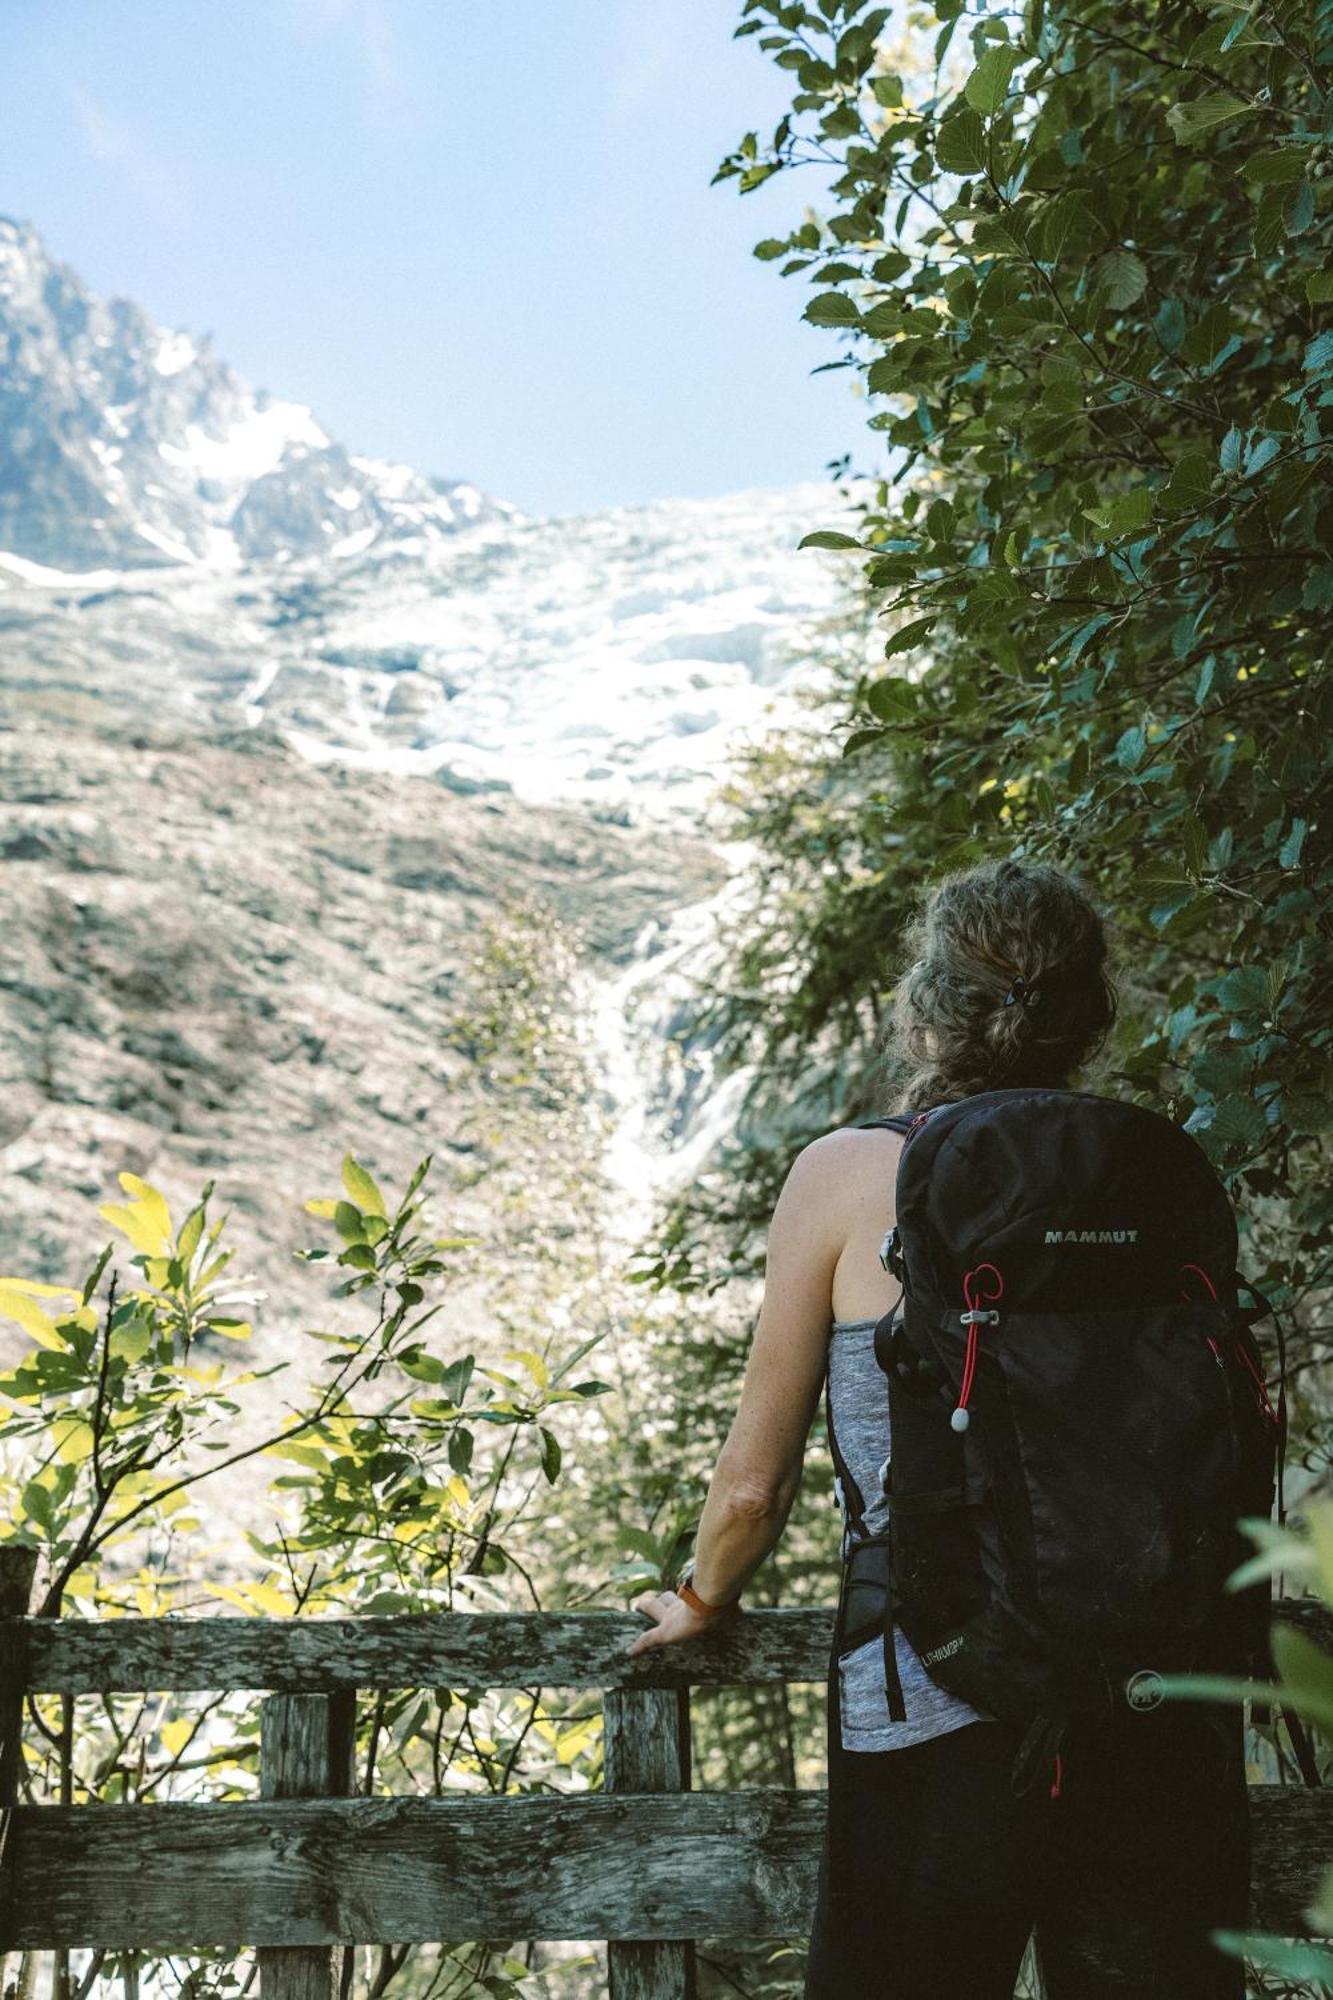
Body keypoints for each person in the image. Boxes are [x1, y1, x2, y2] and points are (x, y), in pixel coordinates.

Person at [624, 857, 1251, 1998]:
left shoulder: (852, 1171)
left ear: (927, 1003)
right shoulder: (1158, 1168)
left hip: (934, 1694)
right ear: (1092, 1012)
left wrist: (702, 1596)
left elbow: (753, 1488)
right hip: (1159, 1700)